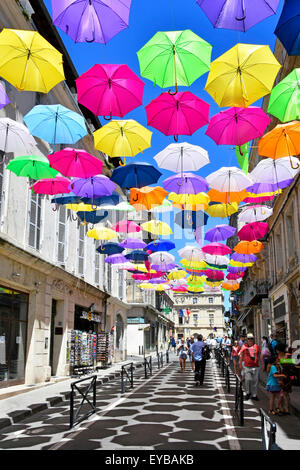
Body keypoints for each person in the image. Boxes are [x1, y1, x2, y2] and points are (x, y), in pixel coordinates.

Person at [239, 333, 262, 400]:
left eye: (251, 338)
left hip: (256, 366)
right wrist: (240, 364)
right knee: (248, 380)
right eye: (249, 339)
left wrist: (262, 364)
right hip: (247, 366)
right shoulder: (244, 346)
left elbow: (260, 355)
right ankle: (248, 392)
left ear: (253, 339)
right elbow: (241, 355)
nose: (250, 340)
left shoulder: (256, 346)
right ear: (247, 339)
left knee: (255, 382)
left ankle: (254, 395)